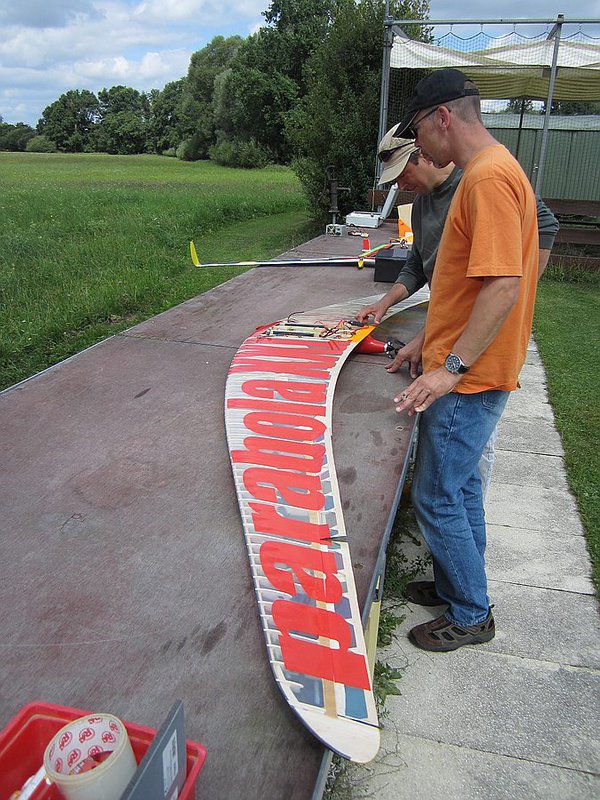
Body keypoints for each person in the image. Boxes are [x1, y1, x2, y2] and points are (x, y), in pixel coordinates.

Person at [381, 69, 541, 652]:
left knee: (436, 495)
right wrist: (428, 343)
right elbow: (465, 285)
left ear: (442, 117)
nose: (419, 146)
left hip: (468, 380)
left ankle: (471, 614)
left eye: (419, 131)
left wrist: (449, 369)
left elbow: (502, 284)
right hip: (473, 368)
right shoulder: (492, 170)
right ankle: (457, 585)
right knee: (463, 490)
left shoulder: (488, 179)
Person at [357, 129, 558, 497]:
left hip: (477, 352)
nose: (401, 184)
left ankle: (462, 513)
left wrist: (519, 289)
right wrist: (384, 305)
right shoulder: (422, 204)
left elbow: (542, 223)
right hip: (448, 333)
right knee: (448, 470)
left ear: (422, 154)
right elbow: (419, 263)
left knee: (461, 473)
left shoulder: (480, 181)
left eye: (403, 174)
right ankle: (458, 516)